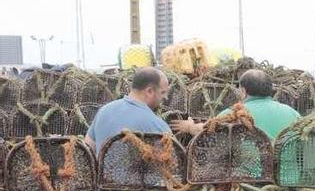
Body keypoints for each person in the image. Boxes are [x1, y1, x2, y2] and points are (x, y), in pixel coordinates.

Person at [171, 69, 300, 140]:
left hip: (249, 178)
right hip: (289, 178)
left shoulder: (234, 114)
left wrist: (189, 127)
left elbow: (206, 130)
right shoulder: (293, 113)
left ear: (243, 91)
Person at [85, 67, 170, 152]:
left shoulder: (104, 111)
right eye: (163, 92)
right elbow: (171, 162)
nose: (166, 97)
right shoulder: (158, 126)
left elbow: (88, 149)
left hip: (101, 165)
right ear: (149, 91)